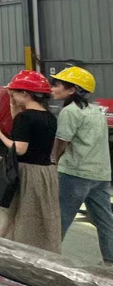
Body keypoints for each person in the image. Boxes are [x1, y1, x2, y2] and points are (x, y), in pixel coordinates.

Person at [0, 70, 61, 253]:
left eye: (15, 94)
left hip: (26, 173)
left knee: (16, 213)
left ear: (25, 93)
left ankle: (9, 250)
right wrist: (12, 101)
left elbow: (19, 149)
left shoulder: (25, 117)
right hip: (45, 172)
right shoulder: (50, 117)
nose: (13, 97)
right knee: (39, 216)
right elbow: (20, 125)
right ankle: (42, 250)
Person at [50, 66, 113, 265]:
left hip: (75, 174)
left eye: (57, 85)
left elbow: (62, 141)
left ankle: (47, 257)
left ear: (72, 90)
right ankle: (110, 259)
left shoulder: (70, 111)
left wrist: (53, 162)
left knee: (60, 219)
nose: (53, 88)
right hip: (100, 174)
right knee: (105, 220)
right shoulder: (96, 111)